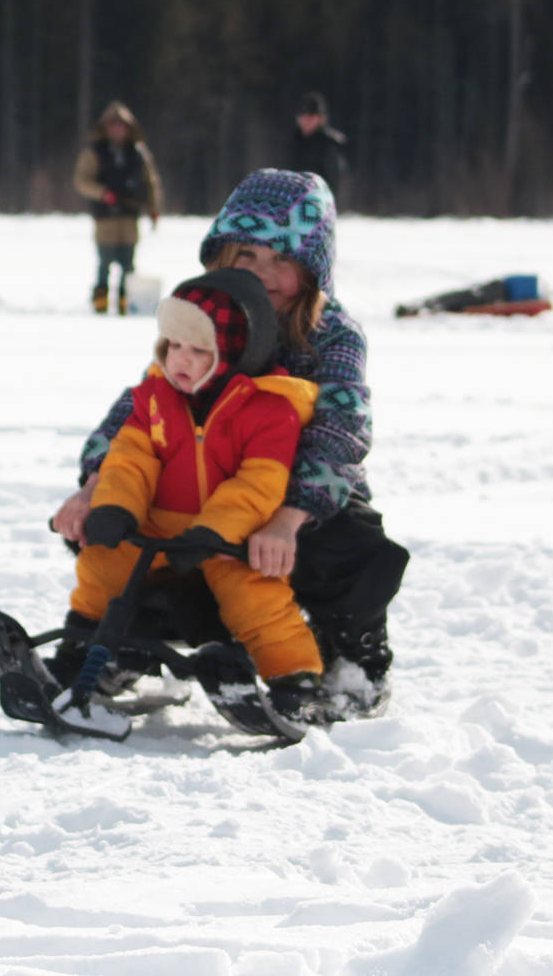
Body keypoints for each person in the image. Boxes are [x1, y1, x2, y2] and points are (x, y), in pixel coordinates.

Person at [55, 170, 407, 719]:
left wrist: (290, 518)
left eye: (283, 261)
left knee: (351, 546)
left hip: (296, 499)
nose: (265, 274)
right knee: (116, 530)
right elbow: (141, 409)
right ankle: (126, 643)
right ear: (223, 256)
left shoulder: (332, 334)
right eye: (248, 255)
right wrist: (95, 485)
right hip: (203, 496)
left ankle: (352, 666)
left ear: (312, 271)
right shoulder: (206, 318)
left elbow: (341, 432)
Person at [64, 269, 328, 725]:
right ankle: (77, 653)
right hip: (160, 523)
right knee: (103, 564)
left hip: (227, 535)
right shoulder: (154, 399)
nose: (181, 360)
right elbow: (130, 459)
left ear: (235, 352)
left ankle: (295, 682)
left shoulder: (270, 409)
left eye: (198, 350)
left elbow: (259, 482)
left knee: (259, 597)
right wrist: (114, 508)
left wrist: (214, 531)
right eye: (174, 346)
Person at [72, 100, 164, 314]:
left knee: (128, 264)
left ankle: (126, 303)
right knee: (104, 262)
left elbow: (151, 182)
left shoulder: (138, 153)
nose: (117, 130)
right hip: (105, 218)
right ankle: (101, 304)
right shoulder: (94, 152)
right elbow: (81, 181)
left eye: (120, 125)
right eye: (112, 125)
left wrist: (154, 208)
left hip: (130, 217)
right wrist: (102, 193)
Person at [287, 91, 348, 207]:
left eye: (311, 117)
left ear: (320, 119)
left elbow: (334, 181)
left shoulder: (329, 144)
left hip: (320, 203)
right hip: (294, 203)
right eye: (303, 116)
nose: (306, 121)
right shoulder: (294, 141)